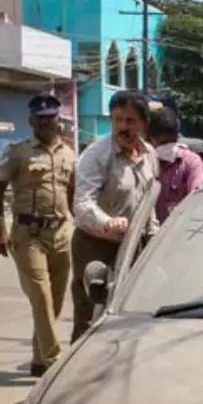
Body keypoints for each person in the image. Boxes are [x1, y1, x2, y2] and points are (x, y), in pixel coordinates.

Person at [0, 94, 77, 377]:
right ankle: (54, 362)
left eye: (51, 117)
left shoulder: (69, 154)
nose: (46, 123)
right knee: (40, 296)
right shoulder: (18, 152)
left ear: (58, 120)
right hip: (29, 234)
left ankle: (39, 361)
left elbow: (74, 193)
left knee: (56, 300)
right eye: (40, 119)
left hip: (62, 233)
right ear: (31, 122)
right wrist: (0, 231)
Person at [70, 90, 159, 341]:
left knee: (131, 313)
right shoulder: (96, 155)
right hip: (95, 245)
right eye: (117, 119)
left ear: (144, 124)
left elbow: (149, 199)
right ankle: (80, 374)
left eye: (130, 121)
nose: (123, 127)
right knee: (90, 316)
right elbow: (82, 203)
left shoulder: (149, 154)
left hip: (134, 245)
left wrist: (154, 236)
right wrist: (107, 222)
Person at [148, 107, 203, 224]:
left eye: (172, 141)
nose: (168, 147)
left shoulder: (191, 161)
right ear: (151, 139)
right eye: (163, 143)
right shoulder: (145, 162)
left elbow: (197, 198)